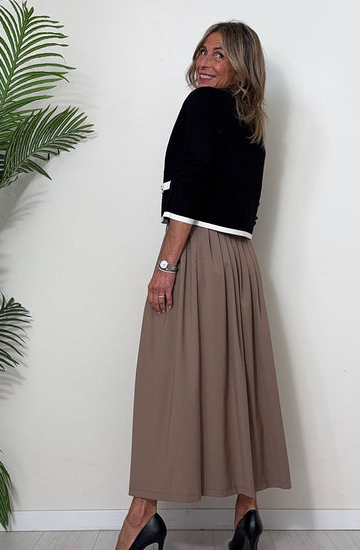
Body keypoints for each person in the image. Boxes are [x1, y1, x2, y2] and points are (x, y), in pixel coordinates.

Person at [115, 21, 291, 550]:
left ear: (242, 64)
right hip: (240, 263)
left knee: (166, 382)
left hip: (198, 255)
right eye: (202, 52)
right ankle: (247, 513)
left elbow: (189, 185)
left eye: (220, 54)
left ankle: (141, 516)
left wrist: (166, 266)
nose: (205, 62)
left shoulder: (202, 105)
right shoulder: (251, 121)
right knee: (238, 379)